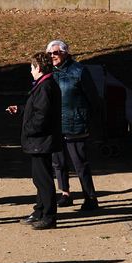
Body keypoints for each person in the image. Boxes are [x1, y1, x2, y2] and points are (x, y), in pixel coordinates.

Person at [7, 51, 62, 229]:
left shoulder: (45, 86)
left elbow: (42, 115)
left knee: (43, 179)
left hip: (41, 140)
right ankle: (39, 210)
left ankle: (49, 216)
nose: (30, 71)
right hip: (40, 140)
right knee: (39, 178)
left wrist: (28, 129)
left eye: (32, 67)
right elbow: (37, 108)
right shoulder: (43, 84)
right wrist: (22, 109)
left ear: (38, 67)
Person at [46, 38, 101, 213]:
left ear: (65, 53)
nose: (52, 56)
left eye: (56, 53)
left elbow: (93, 98)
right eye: (50, 53)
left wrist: (93, 122)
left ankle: (90, 197)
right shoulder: (48, 72)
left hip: (75, 124)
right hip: (55, 125)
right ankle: (65, 194)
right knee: (58, 162)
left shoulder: (79, 71)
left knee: (80, 163)